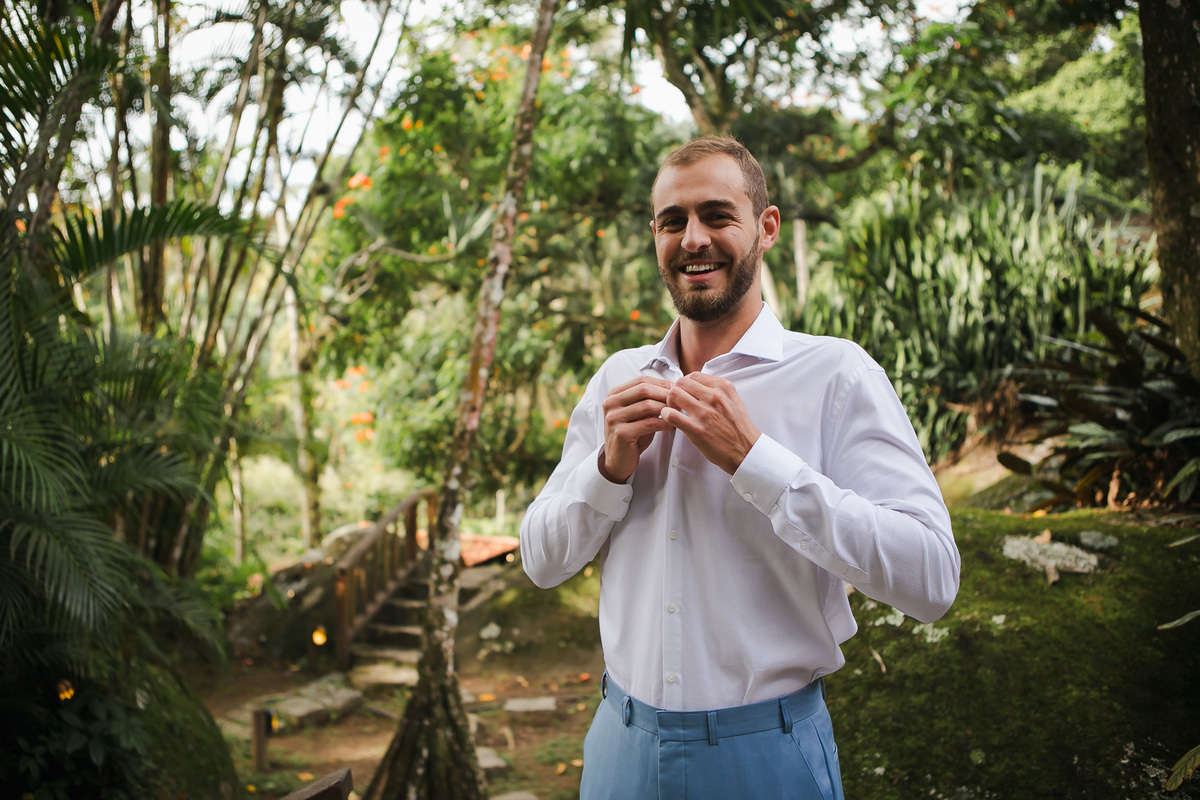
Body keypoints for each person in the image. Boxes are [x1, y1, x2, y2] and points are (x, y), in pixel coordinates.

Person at [519, 136, 960, 800]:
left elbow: (932, 578)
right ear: (656, 236)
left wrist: (758, 461)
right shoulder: (618, 380)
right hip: (620, 751)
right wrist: (606, 471)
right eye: (673, 221)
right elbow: (540, 560)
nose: (693, 238)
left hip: (769, 758)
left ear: (766, 228)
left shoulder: (836, 375)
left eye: (717, 215)